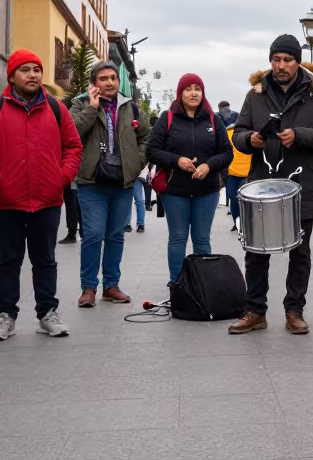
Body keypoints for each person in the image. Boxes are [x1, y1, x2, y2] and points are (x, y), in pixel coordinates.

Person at [0, 50, 83, 341]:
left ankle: (47, 313)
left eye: (36, 69)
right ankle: (5, 315)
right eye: (25, 70)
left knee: (45, 260)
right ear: (12, 76)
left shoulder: (57, 108)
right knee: (8, 261)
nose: (32, 75)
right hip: (6, 202)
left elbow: (73, 147)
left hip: (47, 201)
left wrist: (61, 177)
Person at [229, 37, 313, 335]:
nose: (280, 65)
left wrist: (299, 135)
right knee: (255, 252)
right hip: (262, 185)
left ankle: (294, 310)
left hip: (302, 182)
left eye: (287, 60)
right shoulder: (255, 94)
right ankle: (255, 311)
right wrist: (250, 140)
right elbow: (238, 133)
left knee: (300, 252)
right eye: (276, 59)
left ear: (297, 62)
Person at [70, 60, 149, 308]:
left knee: (115, 235)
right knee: (93, 234)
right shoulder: (79, 104)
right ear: (94, 83)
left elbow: (147, 137)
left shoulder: (131, 107)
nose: (110, 82)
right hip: (92, 181)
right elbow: (71, 133)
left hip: (123, 181)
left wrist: (137, 162)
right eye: (103, 79)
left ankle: (111, 286)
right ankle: (89, 288)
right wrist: (92, 108)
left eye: (113, 78)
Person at [147, 73, 233, 286]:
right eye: (188, 88)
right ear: (180, 93)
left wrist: (208, 165)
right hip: (175, 190)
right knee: (177, 238)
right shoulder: (167, 118)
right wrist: (177, 160)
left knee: (202, 239)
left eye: (197, 88)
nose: (193, 93)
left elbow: (227, 152)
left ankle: (203, 286)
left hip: (207, 190)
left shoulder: (215, 119)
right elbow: (151, 151)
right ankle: (177, 285)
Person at [223, 114, 251, 228]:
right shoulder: (228, 134)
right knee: (233, 199)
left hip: (248, 174)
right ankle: (237, 223)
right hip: (232, 174)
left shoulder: (252, 133)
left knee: (245, 201)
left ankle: (246, 224)